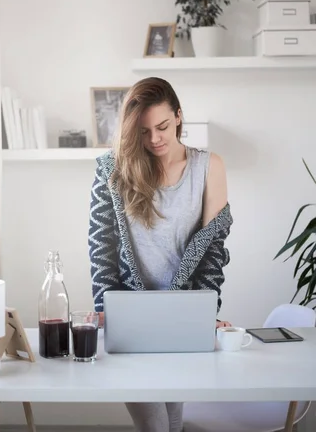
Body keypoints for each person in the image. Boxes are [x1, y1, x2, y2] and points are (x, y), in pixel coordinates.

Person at [88, 77, 233, 432]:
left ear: (179, 116)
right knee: (155, 426)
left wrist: (205, 314)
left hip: (180, 319)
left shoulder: (209, 167)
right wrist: (106, 312)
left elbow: (213, 249)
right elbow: (101, 247)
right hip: (129, 320)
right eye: (143, 131)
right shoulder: (112, 170)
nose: (154, 139)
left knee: (173, 423)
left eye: (163, 126)